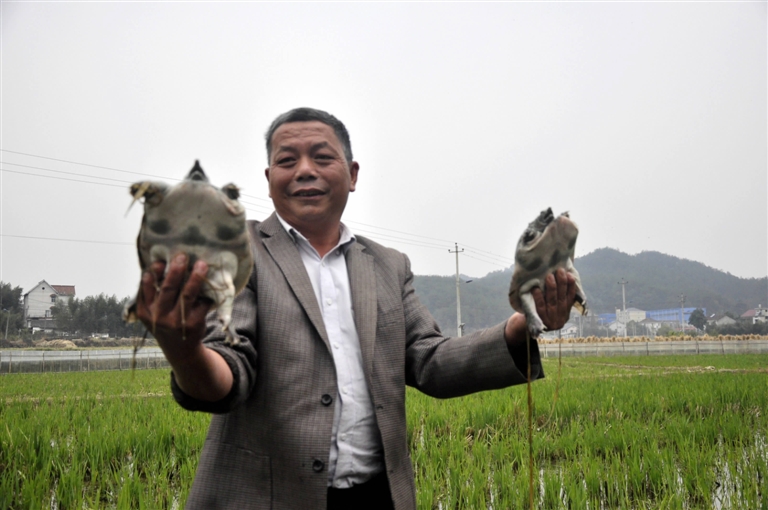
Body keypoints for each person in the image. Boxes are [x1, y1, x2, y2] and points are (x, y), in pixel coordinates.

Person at [134, 107, 576, 510]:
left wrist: (524, 325)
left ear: (352, 174)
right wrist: (184, 348)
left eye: (322, 157)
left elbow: (431, 361)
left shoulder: (387, 265)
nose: (304, 170)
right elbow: (230, 371)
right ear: (269, 179)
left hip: (377, 498)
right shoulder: (241, 252)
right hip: (268, 497)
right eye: (287, 161)